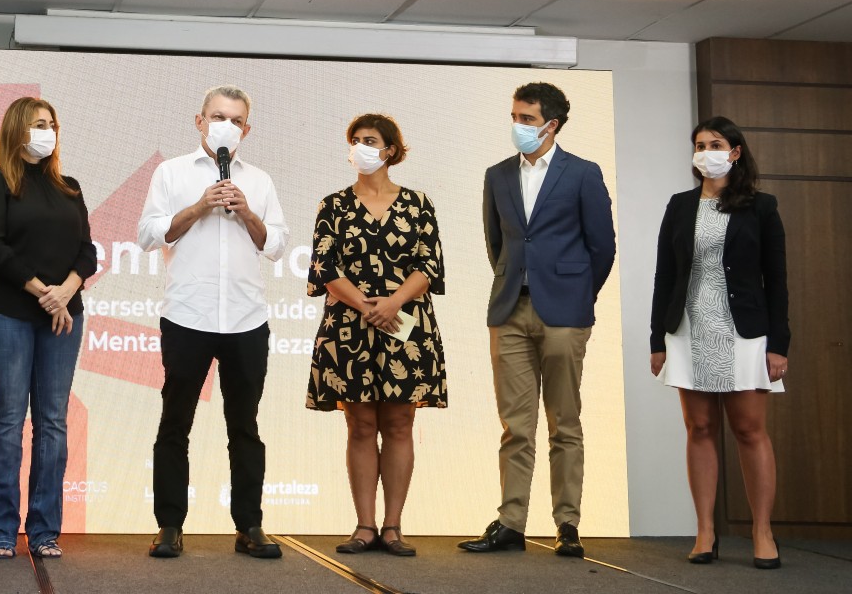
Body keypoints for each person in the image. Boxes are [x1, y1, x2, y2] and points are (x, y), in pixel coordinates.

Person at [460, 82, 615, 558]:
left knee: (565, 422)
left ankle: (567, 523)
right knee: (516, 426)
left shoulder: (583, 173)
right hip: (510, 309)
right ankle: (511, 522)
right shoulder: (497, 174)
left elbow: (602, 247)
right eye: (515, 117)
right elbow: (497, 243)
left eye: (526, 119)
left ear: (553, 124)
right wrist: (515, 282)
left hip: (566, 313)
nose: (518, 126)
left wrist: (575, 294)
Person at [138, 85, 290, 560]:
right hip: (188, 316)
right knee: (175, 422)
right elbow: (147, 235)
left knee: (244, 425)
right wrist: (201, 207)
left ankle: (250, 525)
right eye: (218, 116)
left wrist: (246, 213)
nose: (227, 125)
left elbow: (278, 245)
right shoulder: (171, 172)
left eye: (236, 119)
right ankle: (169, 526)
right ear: (199, 121)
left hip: (246, 319)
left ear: (247, 129)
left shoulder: (260, 181)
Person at [305, 114, 447, 557]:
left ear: (390, 150)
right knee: (360, 423)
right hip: (350, 325)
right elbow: (326, 269)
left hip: (406, 328)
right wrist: (367, 305)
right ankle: (364, 526)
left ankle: (393, 527)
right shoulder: (333, 205)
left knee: (400, 422)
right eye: (355, 141)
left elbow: (429, 265)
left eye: (370, 141)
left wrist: (392, 304)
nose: (360, 147)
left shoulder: (418, 203)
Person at [650, 116, 787, 569]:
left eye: (714, 143)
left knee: (749, 429)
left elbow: (778, 280)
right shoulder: (679, 205)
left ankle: (762, 531)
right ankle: (705, 530)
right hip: (688, 327)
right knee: (700, 429)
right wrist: (658, 339)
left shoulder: (761, 207)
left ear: (735, 152)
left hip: (744, 329)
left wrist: (779, 344)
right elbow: (664, 276)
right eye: (698, 144)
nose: (704, 150)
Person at [0, 96, 95, 560]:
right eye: (38, 124)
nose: (47, 131)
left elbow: (88, 252)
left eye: (51, 124)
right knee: (8, 419)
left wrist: (64, 292)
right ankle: (1, 530)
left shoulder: (69, 186)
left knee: (52, 422)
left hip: (63, 315)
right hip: (6, 312)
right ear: (17, 130)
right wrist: (45, 292)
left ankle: (45, 529)